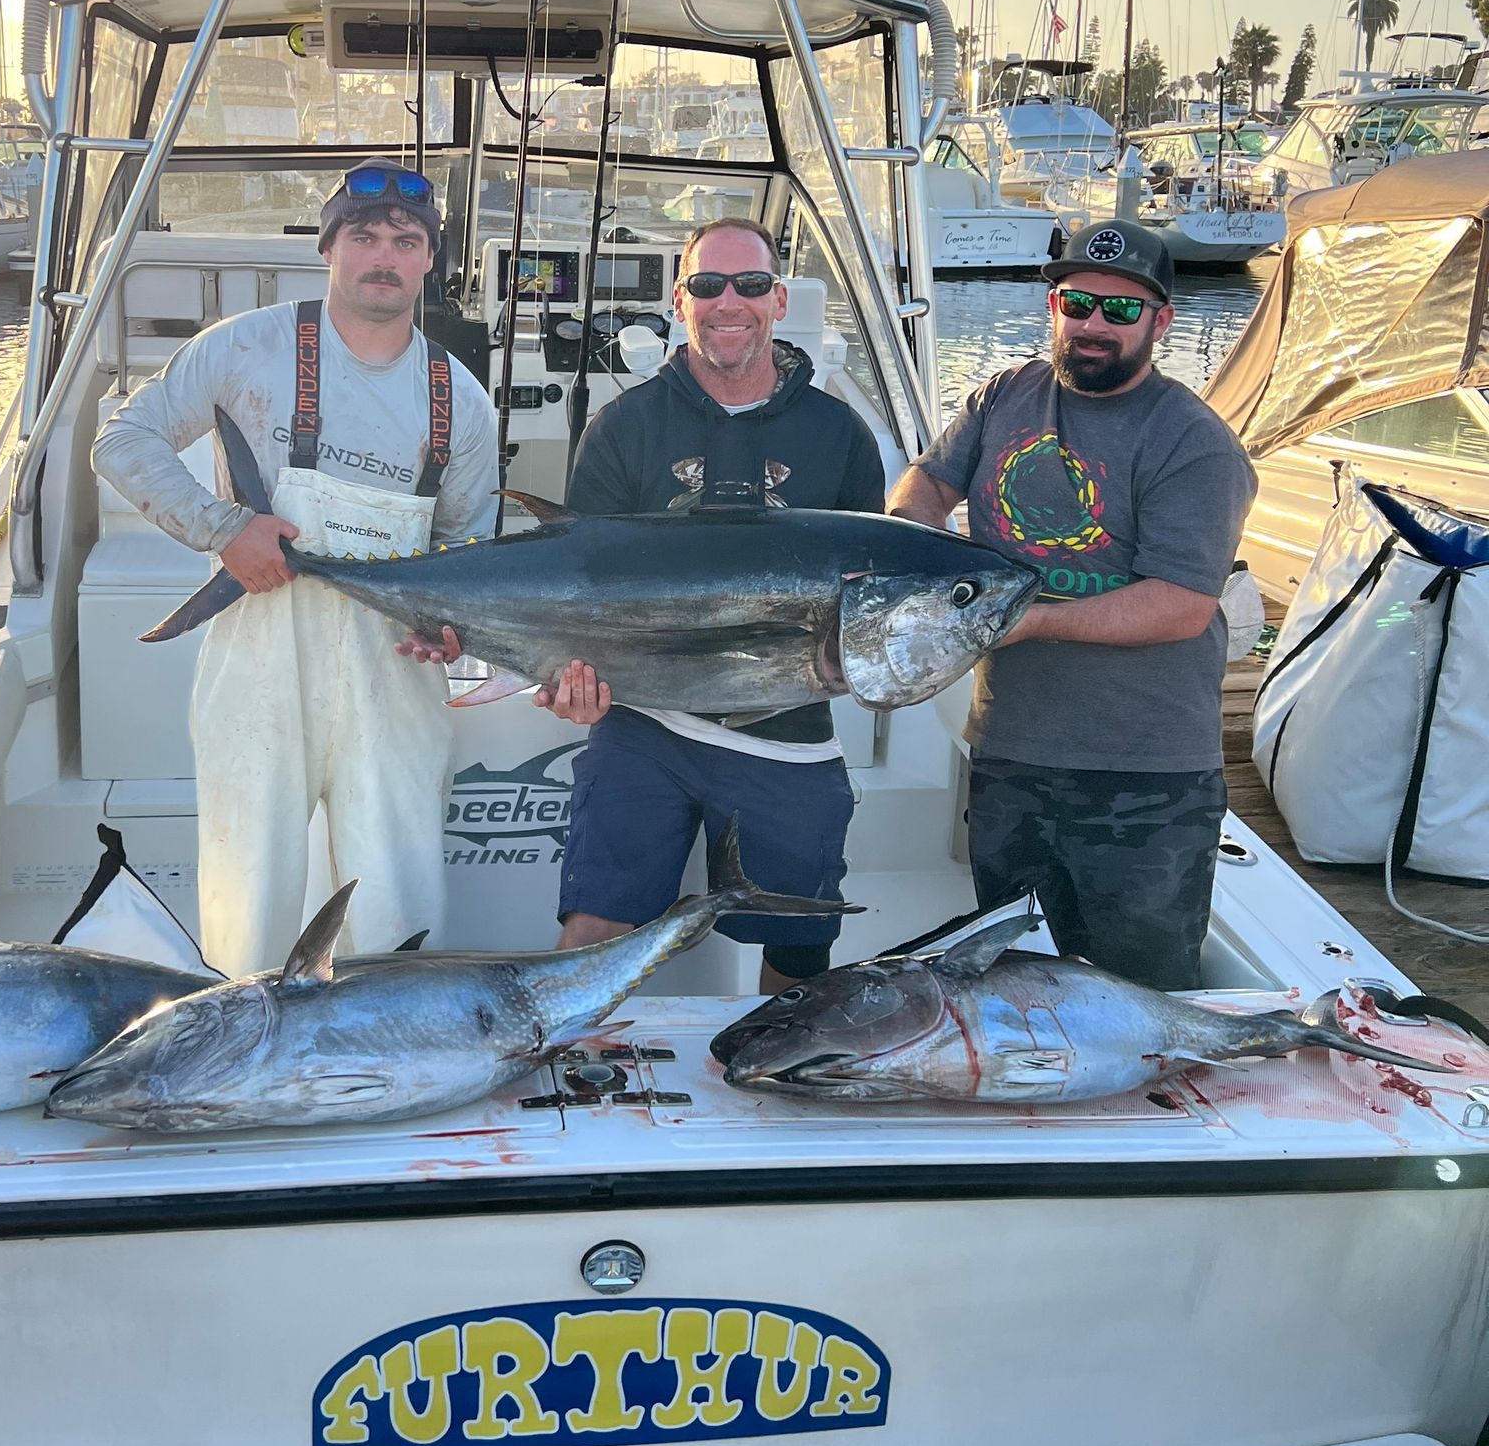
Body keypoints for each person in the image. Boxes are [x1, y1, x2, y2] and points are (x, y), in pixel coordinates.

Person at [91, 160, 498, 976]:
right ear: (328, 248)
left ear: (429, 262)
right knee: (252, 886)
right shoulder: (245, 349)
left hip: (395, 672)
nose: (383, 255)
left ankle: (386, 1060)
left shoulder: (462, 399)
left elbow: (467, 554)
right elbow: (122, 442)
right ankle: (241, 1053)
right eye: (364, 236)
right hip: (258, 659)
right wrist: (225, 530)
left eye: (406, 241)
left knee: (396, 890)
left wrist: (455, 633)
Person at [887, 216, 1256, 990]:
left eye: (1121, 311)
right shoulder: (1002, 396)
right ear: (1052, 304)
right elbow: (927, 479)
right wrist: (912, 544)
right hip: (1010, 756)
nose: (1094, 325)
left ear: (1161, 322)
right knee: (1017, 983)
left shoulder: (1194, 442)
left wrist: (1026, 620)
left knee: (1142, 992)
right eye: (1078, 303)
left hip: (1145, 778)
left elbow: (1182, 605)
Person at [535, 216, 886, 990]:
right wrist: (567, 679)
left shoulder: (842, 438)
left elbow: (870, 599)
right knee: (595, 927)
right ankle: (576, 1082)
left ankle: (781, 1082)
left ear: (778, 299)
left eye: (751, 285)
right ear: (678, 299)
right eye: (709, 285)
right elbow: (574, 583)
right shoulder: (623, 428)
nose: (731, 302)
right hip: (646, 722)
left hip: (789, 731)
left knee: (797, 953)